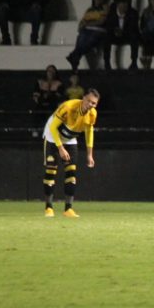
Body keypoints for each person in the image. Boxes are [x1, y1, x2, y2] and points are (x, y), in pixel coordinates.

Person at [41, 89, 100, 218]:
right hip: (53, 135)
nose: (90, 104)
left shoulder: (92, 114)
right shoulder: (68, 107)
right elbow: (53, 127)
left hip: (70, 138)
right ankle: (48, 208)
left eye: (94, 103)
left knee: (71, 173)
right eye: (89, 101)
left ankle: (68, 209)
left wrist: (90, 155)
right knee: (51, 171)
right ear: (83, 98)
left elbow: (89, 132)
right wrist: (61, 148)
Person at [65, 0, 109, 72]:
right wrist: (81, 26)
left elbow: (101, 21)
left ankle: (74, 57)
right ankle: (75, 59)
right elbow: (83, 21)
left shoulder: (105, 7)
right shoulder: (89, 9)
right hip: (87, 30)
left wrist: (87, 24)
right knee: (80, 38)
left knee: (89, 39)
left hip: (99, 31)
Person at [103, 0, 140, 70]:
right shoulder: (111, 13)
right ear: (118, 5)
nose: (125, 6)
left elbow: (133, 27)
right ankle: (107, 63)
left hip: (127, 35)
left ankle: (134, 62)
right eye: (123, 4)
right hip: (114, 35)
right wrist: (115, 31)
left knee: (134, 37)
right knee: (106, 37)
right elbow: (108, 26)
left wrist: (123, 32)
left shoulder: (133, 13)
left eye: (126, 4)